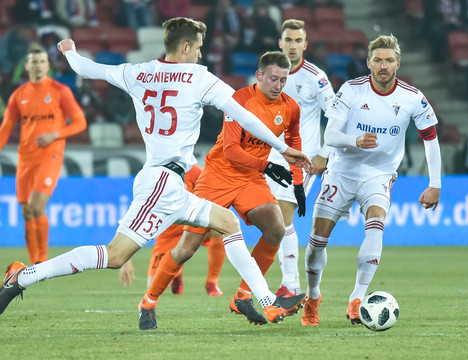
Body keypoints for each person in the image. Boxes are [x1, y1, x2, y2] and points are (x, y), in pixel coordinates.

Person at [0, 18, 311, 328]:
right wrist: (281, 148)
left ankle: (266, 301)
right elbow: (244, 116)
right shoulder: (198, 77)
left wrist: (68, 51)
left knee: (228, 223)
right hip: (162, 181)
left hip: (170, 181)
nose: (200, 55)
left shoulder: (138, 72)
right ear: (185, 47)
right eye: (198, 48)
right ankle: (25, 275)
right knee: (115, 256)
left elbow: (86, 69)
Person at [139, 50, 307, 329]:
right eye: (273, 79)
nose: (278, 86)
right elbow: (230, 150)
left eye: (283, 80)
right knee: (187, 247)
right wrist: (265, 166)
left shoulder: (290, 107)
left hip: (250, 180)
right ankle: (148, 302)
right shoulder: (239, 100)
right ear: (260, 75)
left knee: (276, 228)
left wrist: (298, 182)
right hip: (217, 176)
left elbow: (294, 141)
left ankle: (242, 296)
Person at [301, 34, 441, 326]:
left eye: (389, 60)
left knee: (376, 229)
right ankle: (313, 296)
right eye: (378, 60)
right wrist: (356, 140)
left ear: (398, 64)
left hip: (379, 175)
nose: (383, 66)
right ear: (368, 63)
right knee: (316, 243)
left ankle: (357, 299)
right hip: (342, 170)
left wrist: (435, 183)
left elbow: (430, 138)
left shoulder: (412, 97)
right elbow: (331, 136)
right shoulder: (352, 91)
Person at [0, 48, 87, 265]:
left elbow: (80, 123)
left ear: (47, 65)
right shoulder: (18, 96)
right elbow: (6, 128)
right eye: (34, 62)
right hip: (25, 159)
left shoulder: (60, 91)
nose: (38, 65)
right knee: (27, 212)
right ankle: (34, 264)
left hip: (50, 156)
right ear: (27, 66)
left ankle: (42, 262)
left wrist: (55, 134)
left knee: (37, 206)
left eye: (42, 61)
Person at [267, 19, 335, 298]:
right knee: (272, 223)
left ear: (305, 45)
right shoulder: (269, 74)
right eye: (288, 40)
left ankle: (291, 285)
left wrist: (324, 153)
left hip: (301, 161)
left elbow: (337, 115)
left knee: (282, 216)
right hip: (269, 158)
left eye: (298, 41)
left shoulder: (315, 77)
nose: (292, 46)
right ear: (279, 43)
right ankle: (291, 285)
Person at [119, 164, 226, 296]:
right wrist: (125, 259)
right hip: (167, 234)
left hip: (192, 226)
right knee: (153, 288)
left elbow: (211, 198)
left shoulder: (195, 172)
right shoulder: (154, 175)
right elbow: (134, 217)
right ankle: (177, 272)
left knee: (219, 229)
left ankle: (212, 282)